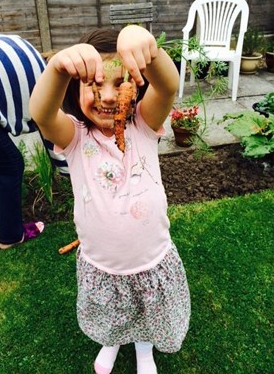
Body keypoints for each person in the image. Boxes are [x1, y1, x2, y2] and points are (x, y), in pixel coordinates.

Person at [30, 25, 190, 374]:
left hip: (151, 259)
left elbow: (168, 85)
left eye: (120, 84)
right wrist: (57, 67)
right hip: (102, 265)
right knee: (110, 311)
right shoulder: (73, 136)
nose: (106, 96)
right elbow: (41, 113)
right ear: (77, 89)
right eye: (95, 84)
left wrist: (147, 45)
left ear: (136, 86)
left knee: (149, 310)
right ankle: (112, 340)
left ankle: (144, 348)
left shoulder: (145, 124)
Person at [0, 23, 68, 250]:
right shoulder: (48, 91)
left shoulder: (21, 43)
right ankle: (11, 237)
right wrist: (75, 176)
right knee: (9, 166)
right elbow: (56, 144)